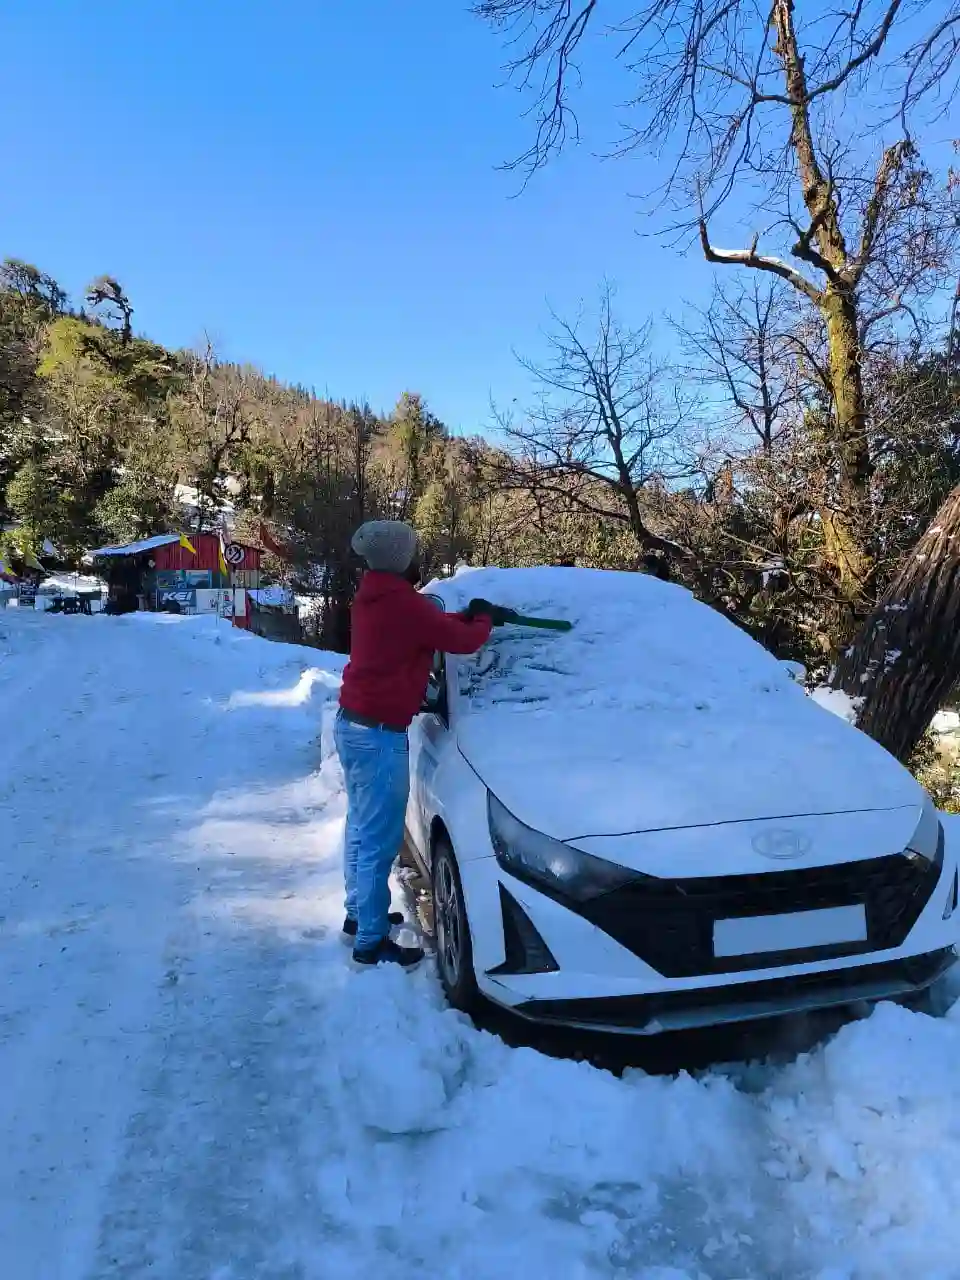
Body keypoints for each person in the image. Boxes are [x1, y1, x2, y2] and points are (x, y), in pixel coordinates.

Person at [335, 521, 506, 970]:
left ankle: (359, 913)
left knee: (359, 825)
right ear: (399, 559)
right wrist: (483, 620)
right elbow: (461, 641)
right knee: (379, 839)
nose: (416, 558)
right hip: (378, 736)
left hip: (353, 727)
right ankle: (371, 941)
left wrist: (464, 617)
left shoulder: (376, 596)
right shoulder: (404, 606)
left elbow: (428, 625)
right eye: (411, 552)